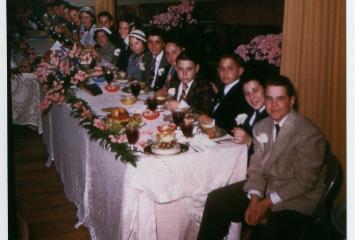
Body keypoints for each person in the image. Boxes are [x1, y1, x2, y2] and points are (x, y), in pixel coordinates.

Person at [197, 75, 327, 240]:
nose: (273, 105)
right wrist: (254, 198)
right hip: (267, 185)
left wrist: (266, 202)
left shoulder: (309, 133)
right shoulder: (261, 127)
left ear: (292, 101)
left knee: (272, 231)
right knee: (217, 200)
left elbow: (305, 181)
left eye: (280, 99)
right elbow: (257, 169)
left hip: (297, 197)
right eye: (269, 99)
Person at [200, 54, 253, 134]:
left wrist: (213, 122)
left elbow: (239, 123)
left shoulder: (243, 92)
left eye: (230, 68)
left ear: (240, 71)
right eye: (222, 68)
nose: (225, 72)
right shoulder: (222, 89)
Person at [164, 51, 215, 115]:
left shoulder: (204, 87)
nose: (184, 73)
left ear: (197, 68)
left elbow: (205, 114)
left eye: (189, 69)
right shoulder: (174, 82)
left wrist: (181, 106)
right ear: (176, 68)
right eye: (180, 69)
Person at [232, 73, 268, 147]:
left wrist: (249, 141)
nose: (251, 97)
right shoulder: (249, 111)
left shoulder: (272, 116)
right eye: (247, 93)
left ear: (265, 90)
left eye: (255, 91)